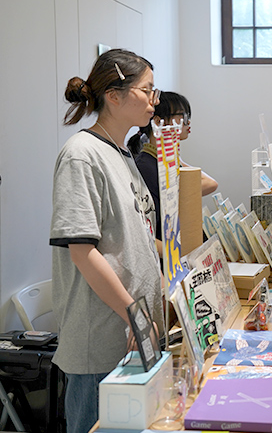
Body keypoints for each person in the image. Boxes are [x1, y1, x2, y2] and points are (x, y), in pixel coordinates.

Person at [49, 49, 164, 433]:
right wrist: (135, 315)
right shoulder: (81, 156)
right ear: (114, 96)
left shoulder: (123, 153)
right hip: (101, 339)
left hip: (133, 334)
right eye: (147, 90)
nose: (154, 100)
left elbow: (136, 240)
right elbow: (83, 253)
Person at [129, 91, 219, 250]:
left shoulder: (163, 161)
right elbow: (210, 184)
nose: (187, 122)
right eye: (182, 116)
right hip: (166, 254)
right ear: (158, 121)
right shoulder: (146, 167)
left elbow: (210, 183)